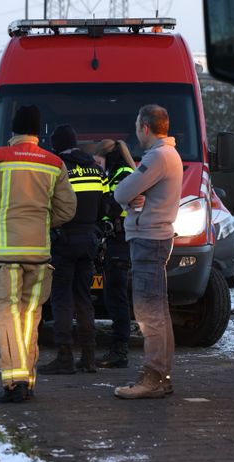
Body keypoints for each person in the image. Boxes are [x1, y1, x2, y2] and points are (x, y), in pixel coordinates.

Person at [0, 106, 76, 402]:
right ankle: (26, 377)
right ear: (37, 132)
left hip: (5, 253)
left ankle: (15, 383)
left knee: (6, 313)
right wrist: (41, 222)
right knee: (30, 315)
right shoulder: (54, 163)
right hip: (39, 254)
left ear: (12, 130)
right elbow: (68, 209)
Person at [113, 104, 182, 399]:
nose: (135, 131)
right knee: (159, 311)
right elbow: (135, 194)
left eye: (136, 125)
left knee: (148, 312)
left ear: (145, 128)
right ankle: (161, 376)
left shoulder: (157, 157)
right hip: (157, 238)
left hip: (148, 240)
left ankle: (152, 378)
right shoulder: (170, 155)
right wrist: (134, 199)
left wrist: (129, 200)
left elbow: (121, 192)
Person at [37, 124, 108, 376]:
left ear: (56, 145)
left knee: (61, 299)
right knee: (83, 298)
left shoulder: (58, 168)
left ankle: (64, 356)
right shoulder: (96, 169)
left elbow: (47, 203)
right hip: (90, 240)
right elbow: (105, 206)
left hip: (64, 240)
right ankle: (89, 357)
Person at [93, 139, 137, 368]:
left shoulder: (122, 173)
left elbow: (114, 205)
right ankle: (118, 349)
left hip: (120, 243)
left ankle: (119, 350)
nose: (97, 165)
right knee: (114, 296)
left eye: (98, 160)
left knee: (116, 297)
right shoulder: (121, 171)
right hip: (118, 242)